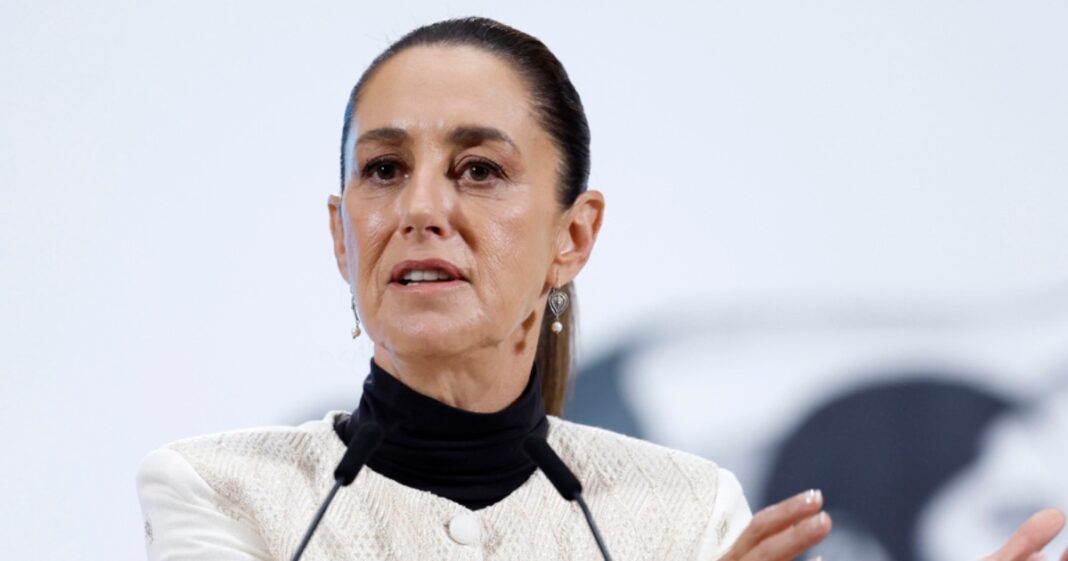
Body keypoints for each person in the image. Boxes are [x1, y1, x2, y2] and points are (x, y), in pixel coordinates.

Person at [135, 16, 1066, 561]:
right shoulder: (219, 491)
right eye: (383, 169)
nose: (420, 207)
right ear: (342, 235)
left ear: (572, 237)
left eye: (478, 170)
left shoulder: (689, 514)